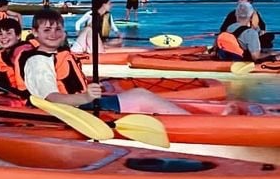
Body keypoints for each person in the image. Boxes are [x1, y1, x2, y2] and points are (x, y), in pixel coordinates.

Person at [16, 9, 189, 114]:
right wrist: (85, 97)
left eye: (58, 29)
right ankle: (195, 126)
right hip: (74, 112)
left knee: (139, 94)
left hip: (79, 106)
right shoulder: (38, 62)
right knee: (141, 97)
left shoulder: (53, 55)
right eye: (47, 30)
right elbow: (51, 98)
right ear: (35, 32)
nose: (53, 33)